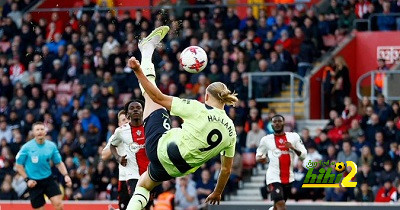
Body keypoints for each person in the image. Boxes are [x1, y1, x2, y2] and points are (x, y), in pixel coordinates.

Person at [126, 26, 238, 210]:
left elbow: (159, 97)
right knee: (144, 185)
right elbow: (226, 169)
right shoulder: (231, 131)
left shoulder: (199, 109)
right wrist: (218, 192)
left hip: (162, 149)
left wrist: (138, 70)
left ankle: (146, 50)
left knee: (152, 95)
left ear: (207, 97)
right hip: (177, 169)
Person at [15, 122, 72, 210]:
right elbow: (18, 165)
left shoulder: (51, 146)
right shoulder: (26, 148)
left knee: (59, 204)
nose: (40, 131)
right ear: (33, 133)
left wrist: (66, 175)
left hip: (48, 179)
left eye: (42, 129)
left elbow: (59, 163)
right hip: (33, 182)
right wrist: (27, 180)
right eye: (37, 130)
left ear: (45, 132)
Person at [256, 115, 307, 210]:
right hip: (273, 177)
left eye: (279, 121)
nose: (277, 123)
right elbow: (258, 156)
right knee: (281, 204)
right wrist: (262, 159)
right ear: (271, 124)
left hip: (288, 177)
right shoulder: (266, 139)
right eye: (274, 122)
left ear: (284, 123)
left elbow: (303, 155)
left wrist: (292, 148)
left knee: (278, 206)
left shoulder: (294, 137)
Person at [101, 109, 130, 210]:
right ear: (119, 123)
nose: (126, 122)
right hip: (124, 178)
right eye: (123, 120)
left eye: (128, 119)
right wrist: (117, 140)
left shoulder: (139, 132)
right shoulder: (117, 135)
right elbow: (104, 156)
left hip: (141, 177)